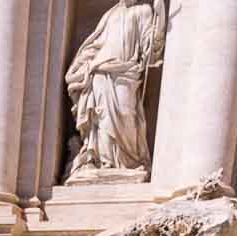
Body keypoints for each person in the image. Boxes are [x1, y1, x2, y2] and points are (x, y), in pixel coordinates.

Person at [65, 0, 166, 179]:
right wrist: (81, 64)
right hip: (100, 72)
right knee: (102, 118)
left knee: (126, 115)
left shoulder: (143, 11)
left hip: (126, 73)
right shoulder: (110, 14)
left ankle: (129, 162)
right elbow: (96, 44)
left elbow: (150, 50)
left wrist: (160, 17)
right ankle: (105, 162)